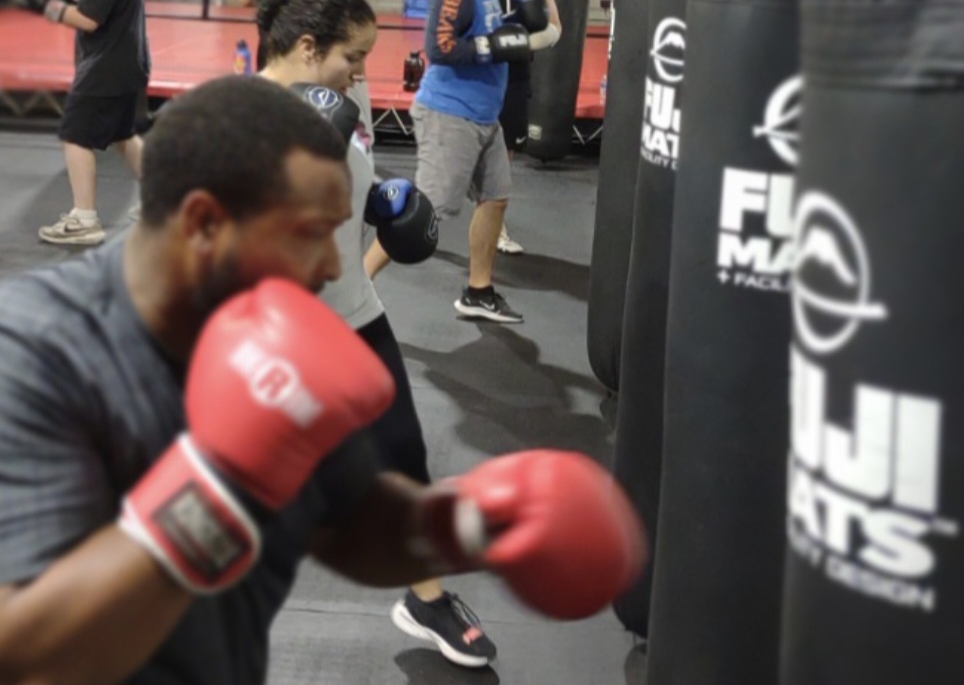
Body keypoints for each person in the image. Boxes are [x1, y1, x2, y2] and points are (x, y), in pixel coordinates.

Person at [0, 75, 644, 685]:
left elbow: (352, 529)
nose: (334, 265)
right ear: (204, 222)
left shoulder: (271, 345)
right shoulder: (35, 355)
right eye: (310, 233)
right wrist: (219, 485)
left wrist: (477, 523)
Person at [256, 0, 496, 668]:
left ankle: (426, 599)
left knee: (402, 456)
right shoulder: (237, 117)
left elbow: (351, 177)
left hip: (354, 313)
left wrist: (383, 203)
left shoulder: (335, 103)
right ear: (308, 48)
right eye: (353, 58)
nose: (362, 73)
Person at [365, 0, 535, 324]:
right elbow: (439, 47)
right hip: (450, 114)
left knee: (495, 197)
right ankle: (356, 283)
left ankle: (478, 292)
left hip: (484, 116)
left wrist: (512, 25)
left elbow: (479, 31)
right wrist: (493, 47)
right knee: (422, 211)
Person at [38, 0, 149, 247]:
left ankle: (84, 220)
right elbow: (101, 9)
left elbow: (89, 20)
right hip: (127, 64)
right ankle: (159, 202)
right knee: (123, 135)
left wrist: (52, 7)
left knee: (75, 136)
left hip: (105, 69)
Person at [491, 0, 562, 256]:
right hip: (479, 75)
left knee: (504, 154)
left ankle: (496, 227)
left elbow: (555, 28)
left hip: (515, 76)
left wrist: (522, 42)